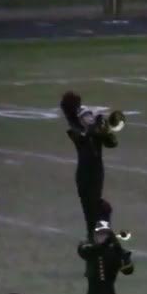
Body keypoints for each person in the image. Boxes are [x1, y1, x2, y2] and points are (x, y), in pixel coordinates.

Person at [61, 91, 117, 235]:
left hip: (91, 171)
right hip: (89, 172)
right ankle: (97, 236)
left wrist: (100, 125)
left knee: (94, 208)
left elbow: (111, 142)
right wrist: (95, 124)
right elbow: (85, 136)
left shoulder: (81, 123)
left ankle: (100, 236)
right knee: (92, 209)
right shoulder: (74, 129)